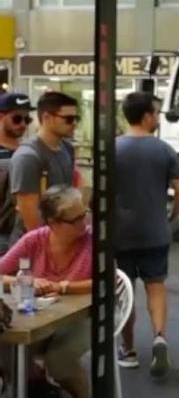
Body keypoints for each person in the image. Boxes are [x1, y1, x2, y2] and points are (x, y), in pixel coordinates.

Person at [114, 92, 179, 377]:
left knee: (126, 292)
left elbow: (96, 194)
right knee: (156, 286)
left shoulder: (112, 148)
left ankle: (129, 350)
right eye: (156, 113)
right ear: (146, 116)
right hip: (155, 232)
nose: (158, 118)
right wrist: (168, 217)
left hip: (120, 235)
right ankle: (159, 336)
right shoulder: (164, 150)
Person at [0, 186, 92, 398]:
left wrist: (63, 286)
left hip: (85, 316)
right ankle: (37, 386)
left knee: (59, 359)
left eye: (84, 214)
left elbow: (108, 280)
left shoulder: (92, 241)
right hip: (44, 317)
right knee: (7, 344)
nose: (84, 223)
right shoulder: (35, 240)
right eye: (76, 219)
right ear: (53, 223)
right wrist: (26, 280)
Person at [9, 91, 78, 239]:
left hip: (61, 237)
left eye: (76, 118)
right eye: (69, 119)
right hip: (34, 245)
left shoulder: (67, 148)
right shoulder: (28, 157)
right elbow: (30, 216)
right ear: (46, 118)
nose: (74, 123)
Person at [0, 93, 34, 252]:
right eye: (17, 118)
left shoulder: (30, 152)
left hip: (23, 234)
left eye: (27, 120)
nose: (22, 124)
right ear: (2, 116)